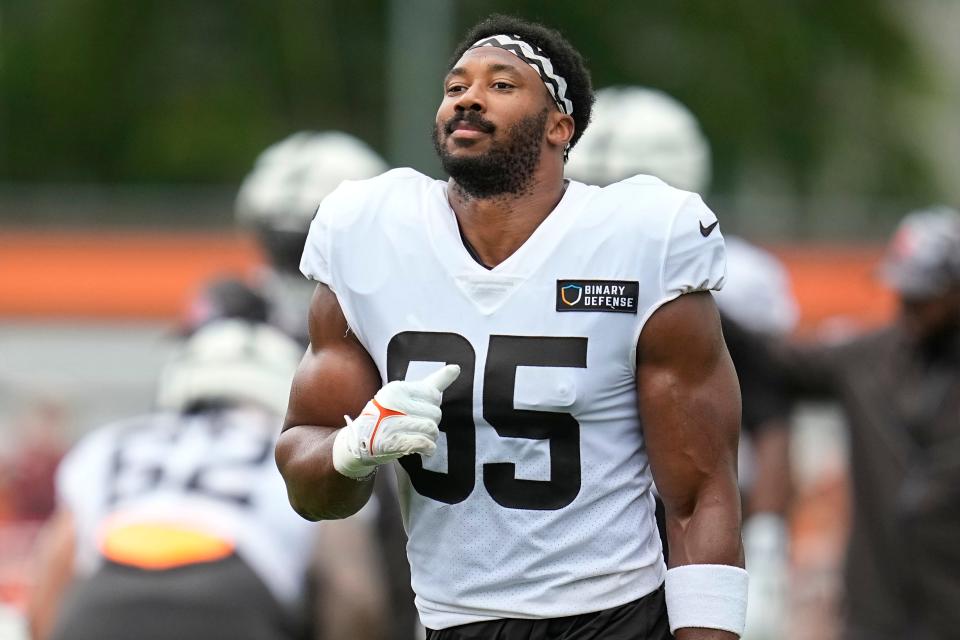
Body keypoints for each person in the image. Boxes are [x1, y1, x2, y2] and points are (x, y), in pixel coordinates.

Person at [277, 14, 746, 640]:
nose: (468, 96)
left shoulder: (641, 241)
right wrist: (353, 449)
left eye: (501, 85)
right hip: (452, 620)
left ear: (560, 125)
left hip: (612, 616)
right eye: (455, 86)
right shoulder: (368, 231)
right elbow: (310, 490)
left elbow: (700, 494)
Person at [566, 85, 796, 640]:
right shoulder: (552, 270)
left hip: (696, 524)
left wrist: (765, 540)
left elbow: (769, 415)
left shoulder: (723, 280)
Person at [27, 319, 385, 640]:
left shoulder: (109, 442)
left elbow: (50, 582)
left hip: (99, 607)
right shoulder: (304, 456)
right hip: (231, 602)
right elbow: (352, 593)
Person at [779, 206, 960, 640]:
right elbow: (775, 360)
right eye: (904, 289)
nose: (907, 302)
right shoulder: (867, 359)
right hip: (873, 614)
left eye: (924, 292)